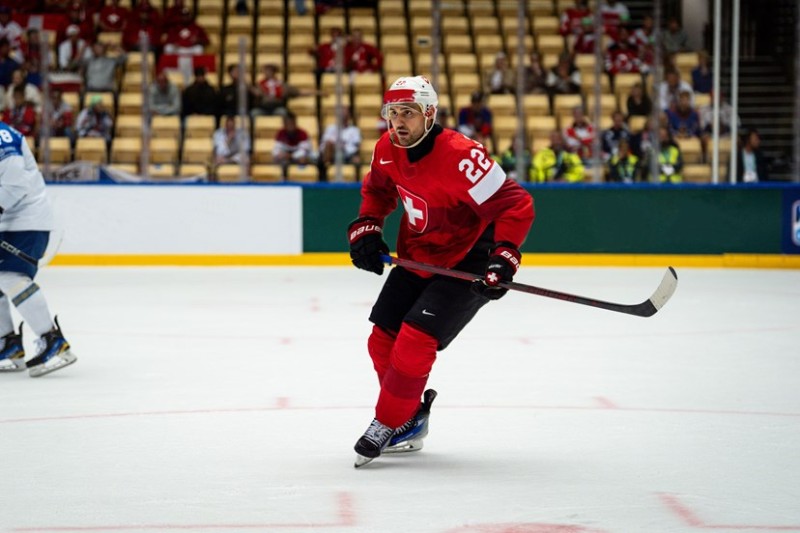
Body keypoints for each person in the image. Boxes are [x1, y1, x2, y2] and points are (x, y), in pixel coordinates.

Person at [347, 75, 534, 467]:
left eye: (408, 113)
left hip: (469, 258)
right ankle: (410, 419)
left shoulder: (461, 156)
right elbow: (378, 191)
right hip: (419, 254)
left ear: (429, 114)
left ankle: (388, 422)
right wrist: (368, 225)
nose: (398, 121)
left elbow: (514, 204)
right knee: (381, 341)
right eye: (393, 112)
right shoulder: (385, 149)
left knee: (415, 341)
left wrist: (504, 257)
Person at [0, 120, 77, 377]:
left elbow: (15, 185)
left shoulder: (3, 137)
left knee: (11, 277)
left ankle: (52, 339)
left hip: (26, 221)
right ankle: (8, 345)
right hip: (8, 221)